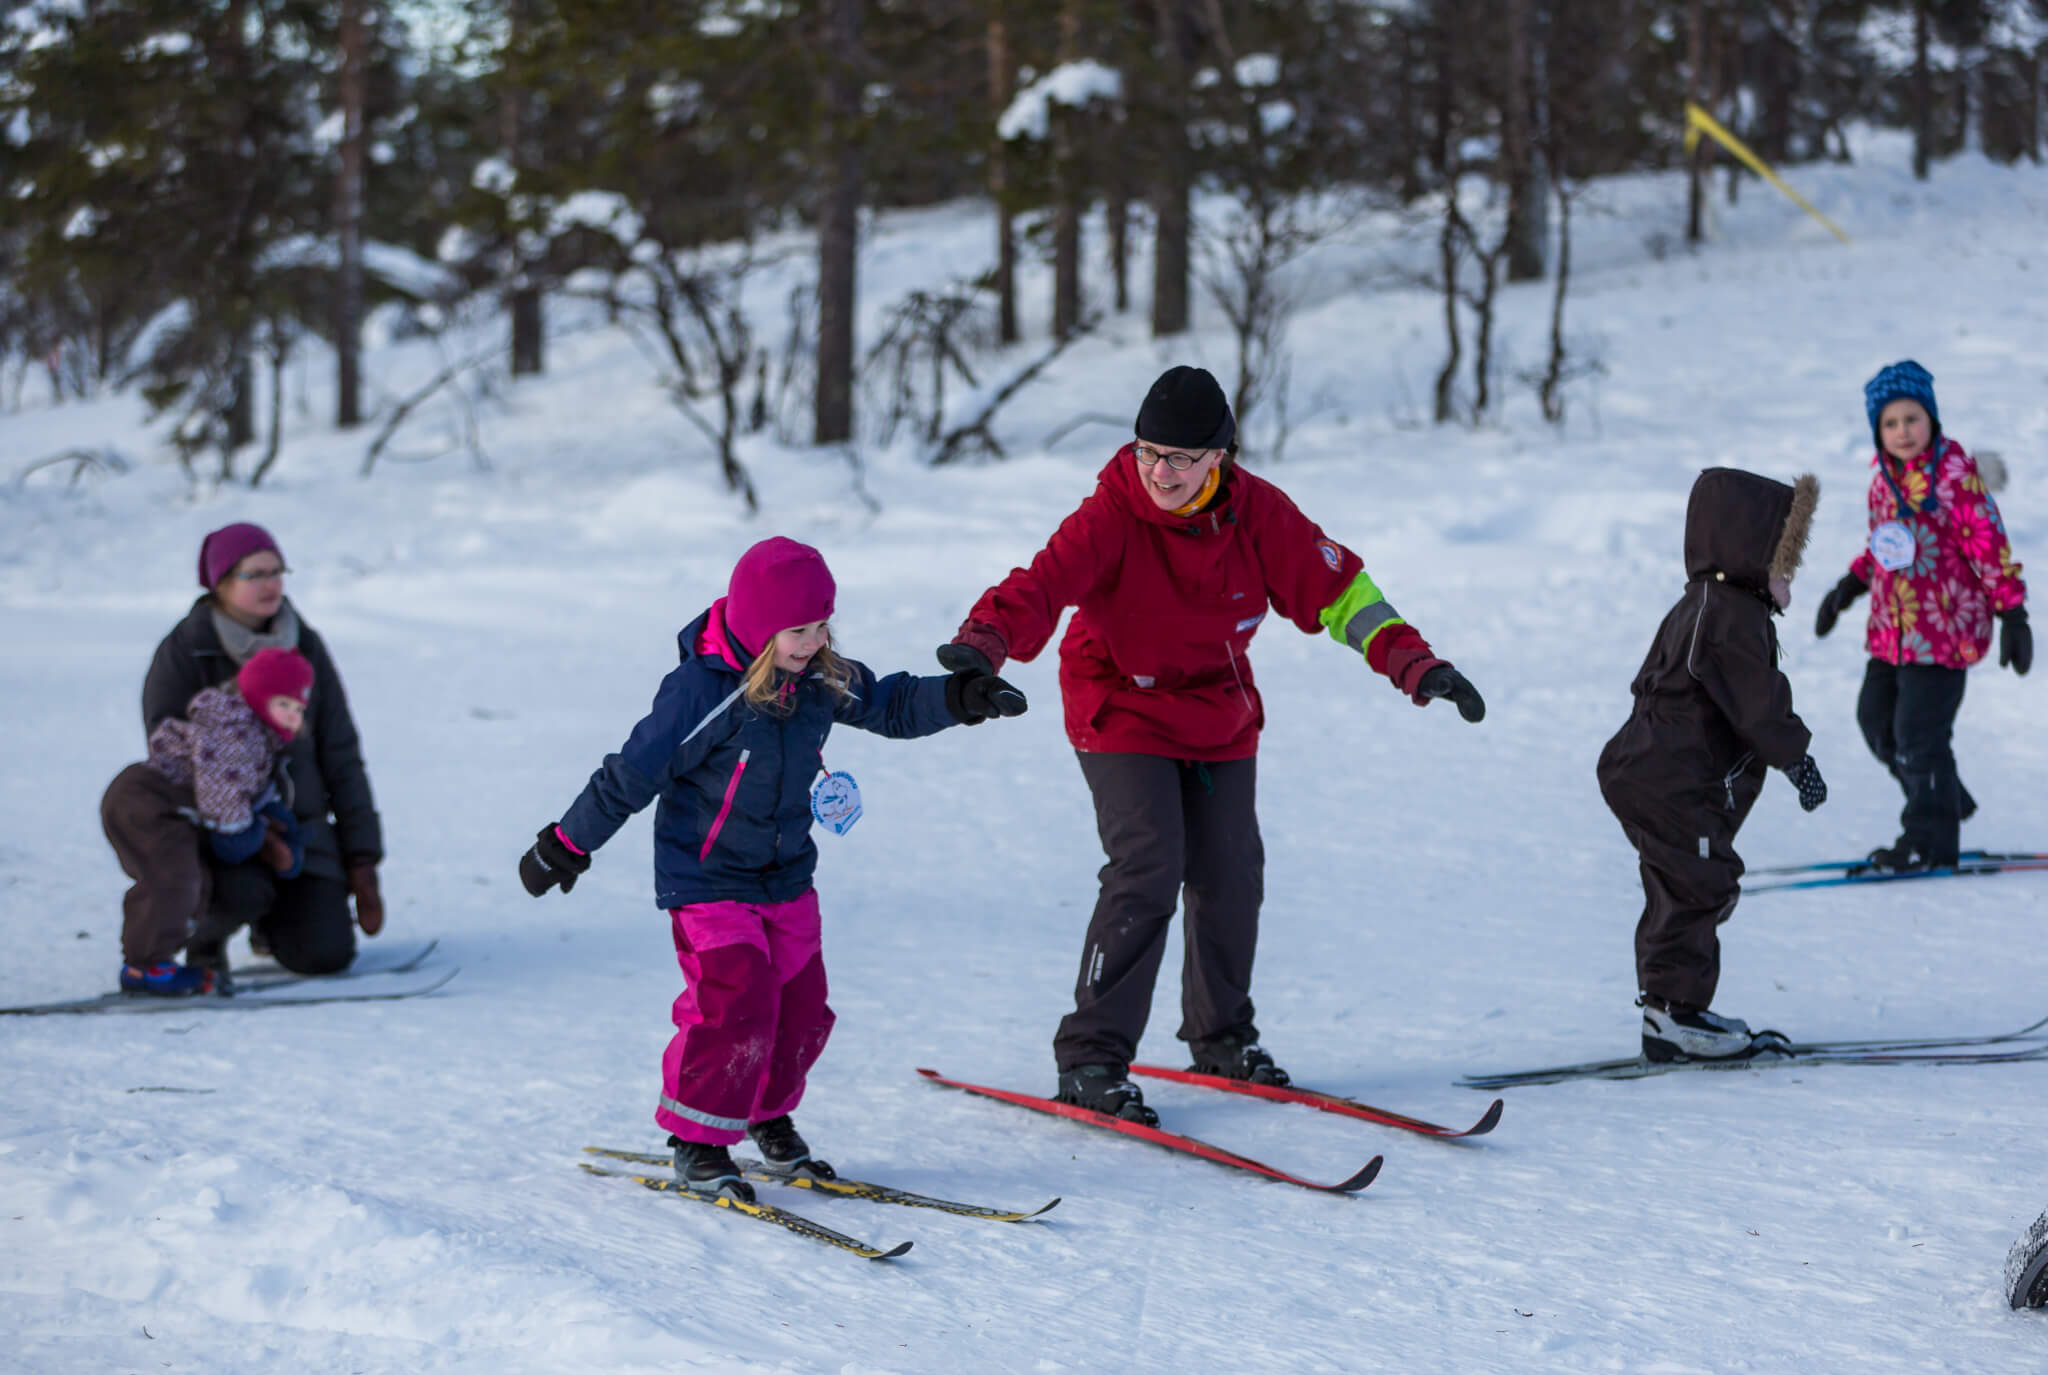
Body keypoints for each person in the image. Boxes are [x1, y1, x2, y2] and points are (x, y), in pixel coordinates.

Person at [936, 365, 1486, 1125]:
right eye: (1148, 451)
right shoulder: (1111, 515)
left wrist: (1415, 663)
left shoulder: (1259, 514)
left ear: (1220, 458)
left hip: (1217, 709)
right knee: (1149, 862)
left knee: (1232, 867)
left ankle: (1220, 1034)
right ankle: (1091, 1056)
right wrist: (983, 645)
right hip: (1117, 701)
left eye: (1181, 458)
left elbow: (1343, 594)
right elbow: (1040, 585)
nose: (1160, 471)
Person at [518, 537, 1025, 1200]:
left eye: (822, 624)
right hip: (706, 880)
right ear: (759, 626)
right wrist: (566, 841)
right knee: (736, 997)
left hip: (786, 876)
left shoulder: (818, 675)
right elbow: (633, 771)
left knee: (801, 1007)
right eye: (797, 629)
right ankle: (698, 1137)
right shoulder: (703, 691)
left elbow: (891, 704)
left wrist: (961, 698)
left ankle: (766, 1110)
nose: (813, 640)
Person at [1596, 468, 1828, 1062]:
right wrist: (1796, 759)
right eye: (1783, 559)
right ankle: (1675, 1016)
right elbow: (1758, 702)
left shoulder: (1706, 603)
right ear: (1747, 548)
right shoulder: (1726, 614)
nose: (1787, 575)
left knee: (1683, 881)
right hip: (1674, 779)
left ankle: (1669, 1012)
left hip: (1656, 771)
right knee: (1697, 883)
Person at [142, 524, 385, 982]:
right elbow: (167, 762)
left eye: (278, 572)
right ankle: (207, 937)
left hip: (303, 833)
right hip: (220, 836)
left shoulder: (305, 645)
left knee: (324, 956)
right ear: (221, 583)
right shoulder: (185, 652)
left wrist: (362, 859)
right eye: (256, 574)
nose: (272, 585)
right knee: (240, 889)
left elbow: (341, 752)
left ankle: (273, 927)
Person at [1812, 360, 2029, 872]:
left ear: (1931, 418)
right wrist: (1849, 586)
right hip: (1893, 632)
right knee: (1875, 722)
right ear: (1877, 431)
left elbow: (1990, 548)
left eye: (1912, 418)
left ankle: (1929, 840)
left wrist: (2013, 614)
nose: (1902, 431)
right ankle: (1943, 797)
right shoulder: (1882, 483)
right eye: (1890, 423)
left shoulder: (1957, 480)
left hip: (1945, 632)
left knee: (1919, 737)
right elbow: (1884, 548)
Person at [103, 648, 314, 995]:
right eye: (284, 704)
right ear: (259, 698)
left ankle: (156, 961)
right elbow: (224, 795)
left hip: (167, 809)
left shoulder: (258, 736)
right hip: (146, 802)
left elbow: (252, 791)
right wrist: (242, 835)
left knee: (190, 880)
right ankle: (145, 967)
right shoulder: (234, 732)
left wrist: (276, 829)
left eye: (299, 708)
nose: (293, 716)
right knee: (171, 879)